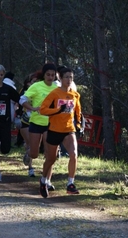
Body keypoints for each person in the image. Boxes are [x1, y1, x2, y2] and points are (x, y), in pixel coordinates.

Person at [39, 67, 83, 198]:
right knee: (51, 159)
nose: (69, 80)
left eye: (71, 77)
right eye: (66, 77)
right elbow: (43, 110)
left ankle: (70, 184)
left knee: (74, 154)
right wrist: (57, 110)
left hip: (69, 129)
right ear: (60, 78)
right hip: (54, 130)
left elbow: (78, 111)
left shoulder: (75, 95)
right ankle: (43, 180)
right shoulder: (54, 94)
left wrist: (79, 124)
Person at [19, 63, 58, 188]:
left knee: (50, 155)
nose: (50, 77)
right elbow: (22, 99)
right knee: (35, 154)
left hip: (50, 124)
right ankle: (29, 153)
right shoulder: (36, 86)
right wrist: (32, 108)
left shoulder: (57, 87)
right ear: (44, 74)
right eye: (48, 74)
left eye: (53, 75)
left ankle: (47, 180)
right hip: (36, 123)